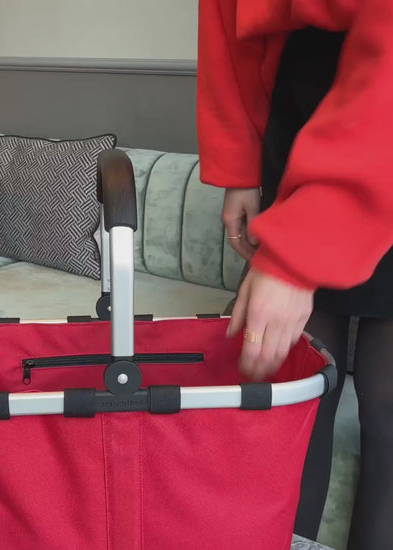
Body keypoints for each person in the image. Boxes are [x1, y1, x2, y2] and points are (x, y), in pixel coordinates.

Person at [197, 2, 393, 549]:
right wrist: (240, 166)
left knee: (389, 408)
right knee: (287, 403)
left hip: (385, 102)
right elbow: (222, 18)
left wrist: (300, 249)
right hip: (302, 102)